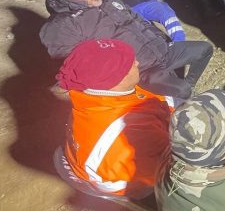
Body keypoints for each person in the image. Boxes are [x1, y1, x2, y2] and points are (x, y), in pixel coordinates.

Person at [40, 0, 213, 99]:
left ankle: (188, 85)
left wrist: (160, 39)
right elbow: (73, 67)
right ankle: (181, 96)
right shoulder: (64, 25)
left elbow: (137, 19)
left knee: (204, 50)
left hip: (160, 50)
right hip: (140, 70)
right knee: (183, 91)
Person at [57, 39, 171, 197]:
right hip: (129, 181)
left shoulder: (88, 97)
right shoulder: (132, 131)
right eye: (130, 64)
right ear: (119, 80)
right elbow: (166, 169)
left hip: (93, 162)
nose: (137, 63)